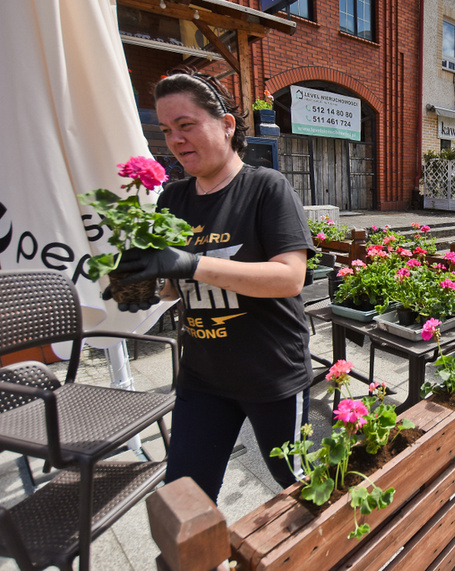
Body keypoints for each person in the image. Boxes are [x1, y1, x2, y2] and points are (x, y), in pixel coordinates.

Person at [116, 68, 315, 502]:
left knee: (303, 488)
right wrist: (147, 286)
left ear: (226, 125)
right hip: (203, 374)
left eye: (186, 125)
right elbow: (176, 288)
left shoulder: (267, 188)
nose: (175, 139)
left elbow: (289, 277)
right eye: (167, 130)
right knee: (184, 500)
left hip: (271, 374)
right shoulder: (173, 199)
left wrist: (193, 262)